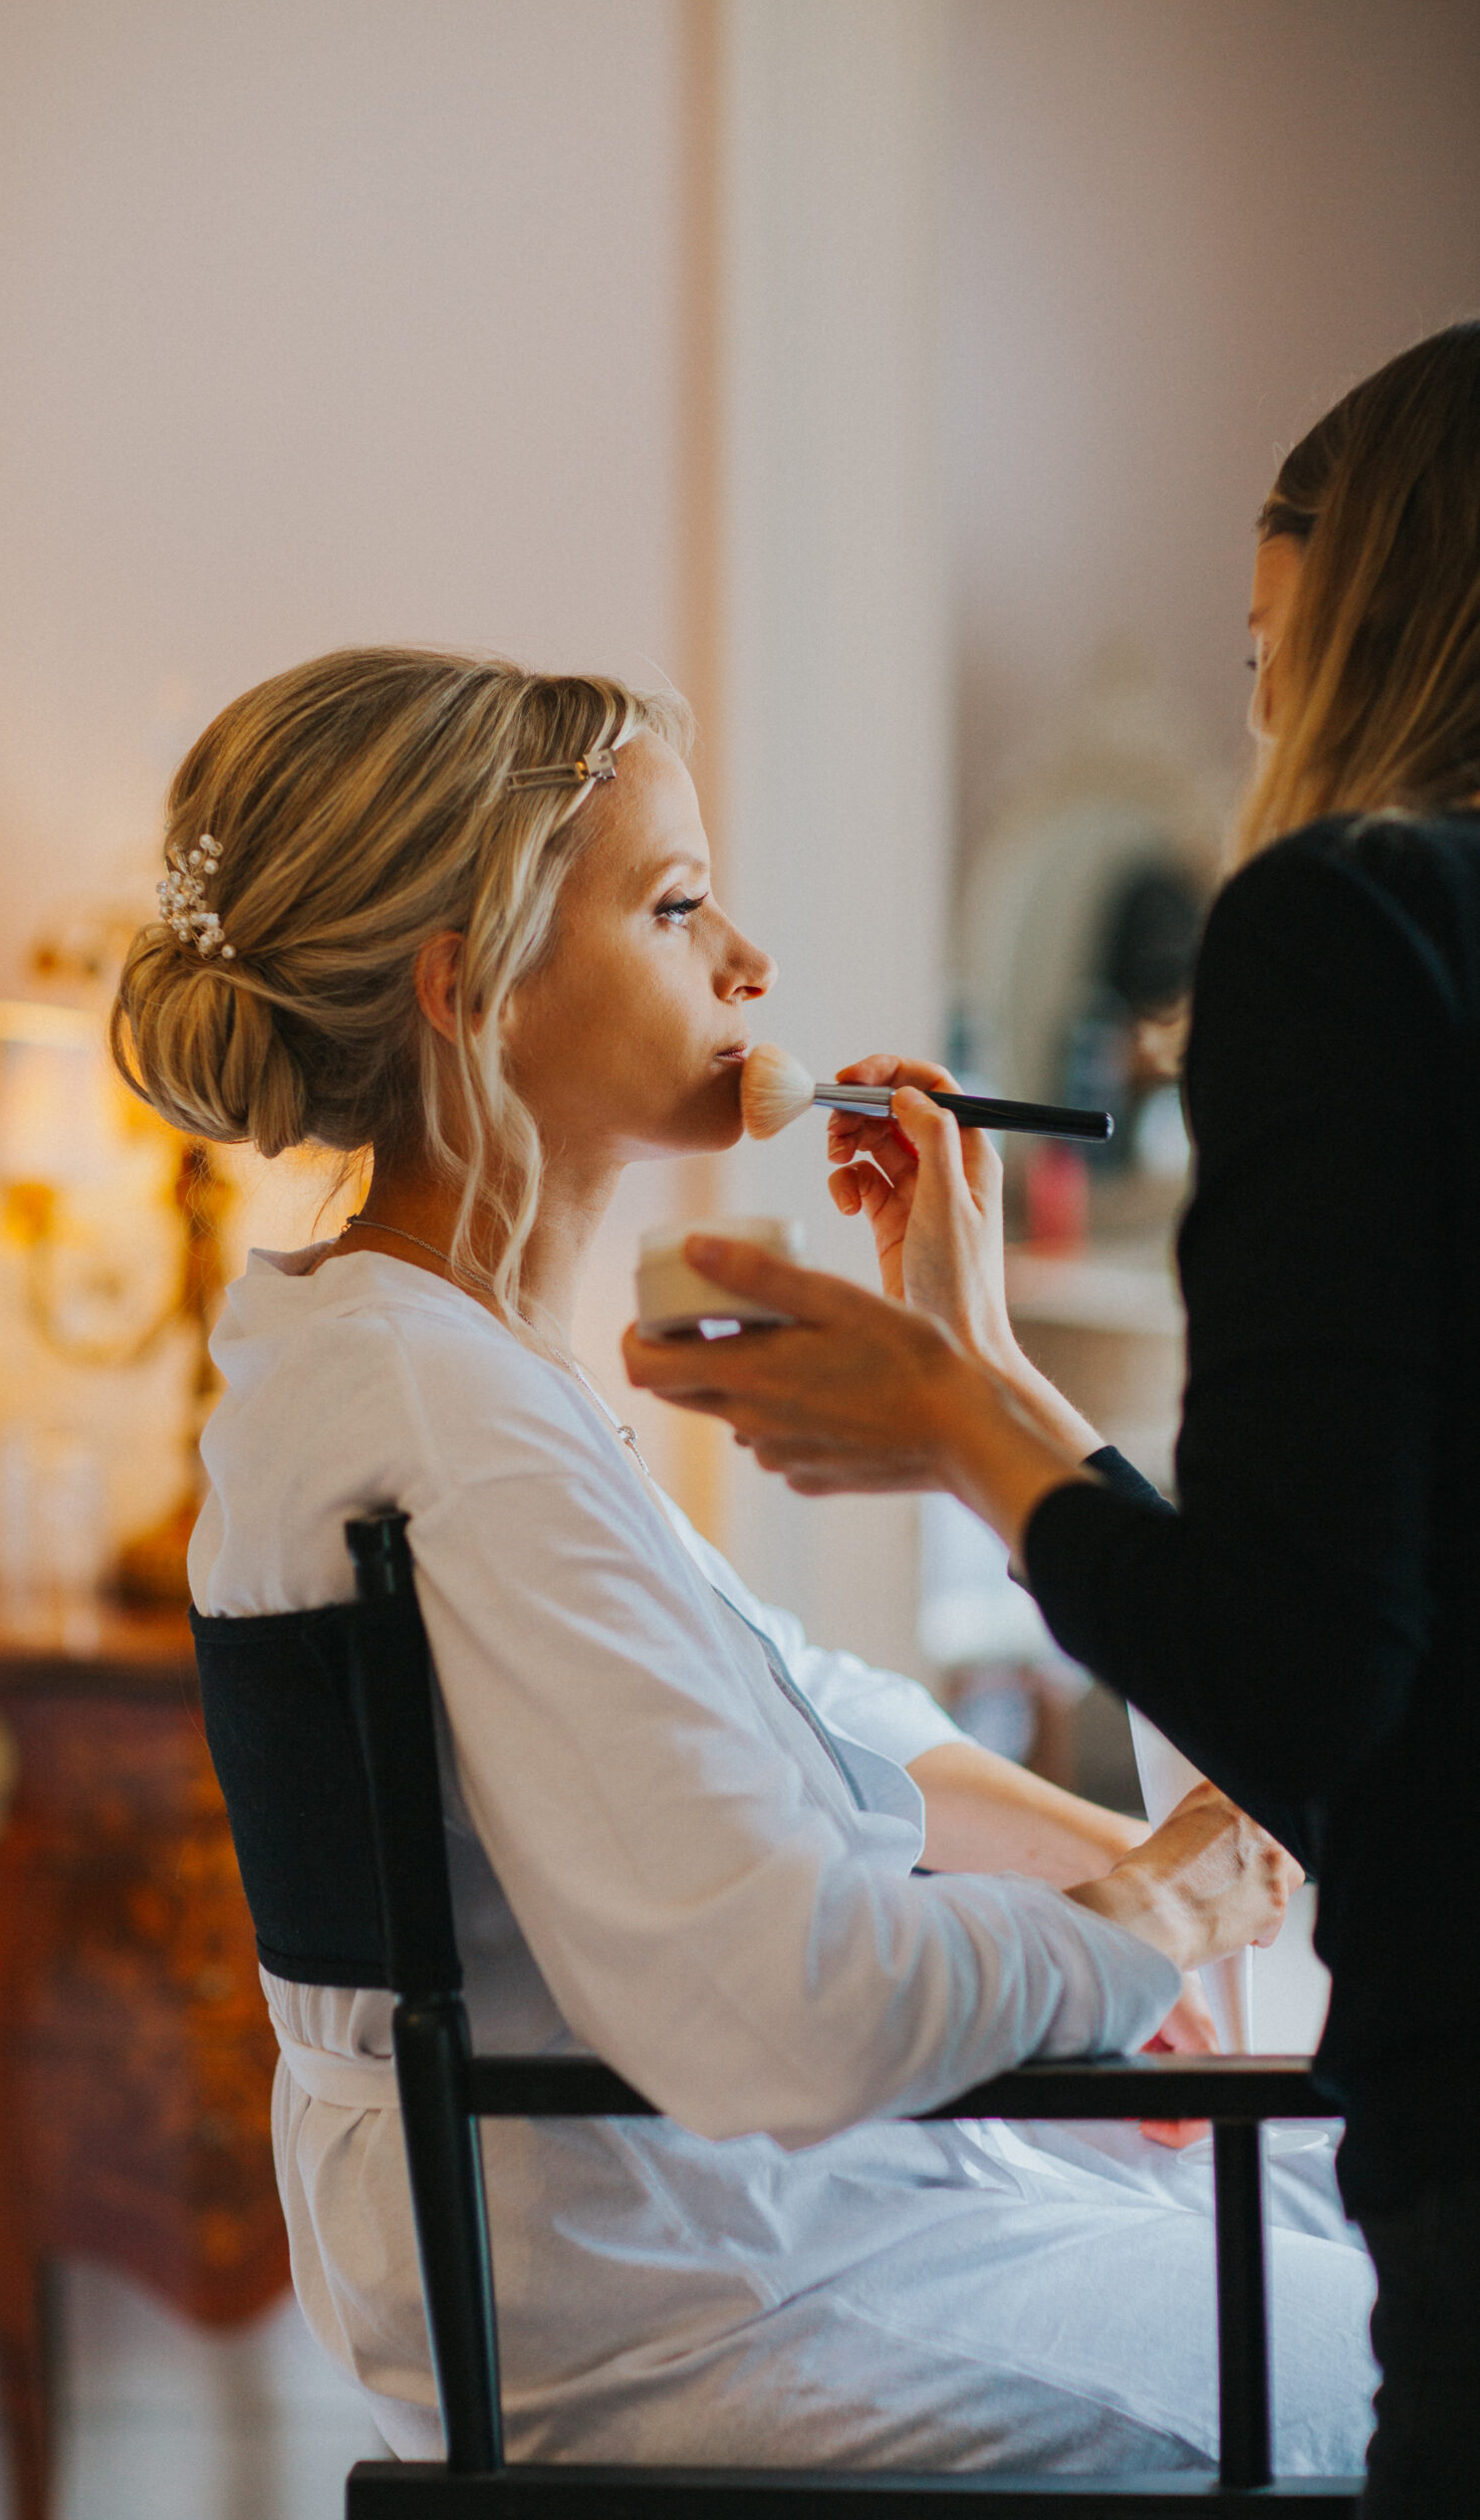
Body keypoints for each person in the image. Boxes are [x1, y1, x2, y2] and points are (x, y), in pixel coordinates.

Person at [113, 646, 1374, 2476]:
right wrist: (1138, 1926)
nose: (752, 966)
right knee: (1425, 2339)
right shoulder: (450, 1421)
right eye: (679, 904)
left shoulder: (411, 1363)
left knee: (1355, 2216)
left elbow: (810, 1717)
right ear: (464, 991)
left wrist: (979, 1368)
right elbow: (772, 2002)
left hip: (717, 2246)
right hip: (716, 2304)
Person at [623, 320, 1480, 2514]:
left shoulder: (1359, 919)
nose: (1266, 710)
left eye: (1285, 646)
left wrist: (948, 1423)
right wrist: (984, 1376)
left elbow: (1308, 1662)